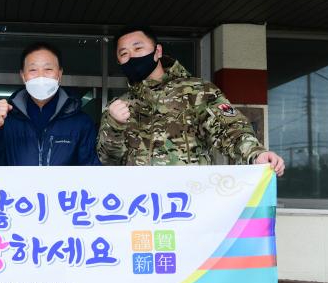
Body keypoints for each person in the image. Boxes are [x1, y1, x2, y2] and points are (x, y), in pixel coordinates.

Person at [96, 26, 285, 176]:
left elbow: (230, 129)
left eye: (138, 48)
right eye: (124, 53)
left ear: (157, 51)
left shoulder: (198, 91)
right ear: (119, 61)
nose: (132, 56)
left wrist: (256, 154)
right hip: (140, 205)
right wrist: (115, 125)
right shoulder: (118, 106)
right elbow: (107, 160)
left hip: (190, 203)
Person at [0, 42, 99, 166]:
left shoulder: (81, 122)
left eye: (48, 69)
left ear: (60, 74)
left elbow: (92, 172)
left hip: (65, 188)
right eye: (33, 70)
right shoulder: (7, 120)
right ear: (23, 75)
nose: (41, 76)